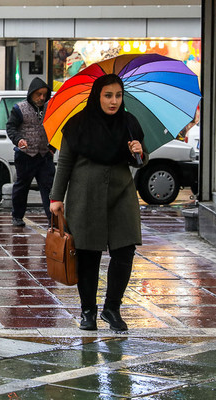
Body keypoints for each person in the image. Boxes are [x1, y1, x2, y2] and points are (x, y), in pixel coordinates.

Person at [49, 74, 148, 332]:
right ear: (97, 96)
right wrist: (56, 198)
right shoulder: (77, 125)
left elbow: (140, 161)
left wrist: (139, 153)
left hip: (121, 196)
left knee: (125, 253)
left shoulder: (129, 123)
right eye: (108, 95)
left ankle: (112, 309)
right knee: (88, 255)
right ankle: (88, 312)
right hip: (85, 197)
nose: (114, 101)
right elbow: (65, 163)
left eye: (118, 95)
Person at [6, 77, 55, 227]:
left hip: (44, 155)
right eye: (38, 94)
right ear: (31, 93)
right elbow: (11, 128)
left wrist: (52, 147)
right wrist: (19, 139)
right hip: (25, 155)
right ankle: (17, 216)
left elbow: (56, 128)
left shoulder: (50, 108)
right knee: (22, 186)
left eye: (44, 95)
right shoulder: (19, 109)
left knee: (49, 188)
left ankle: (52, 219)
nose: (42, 98)